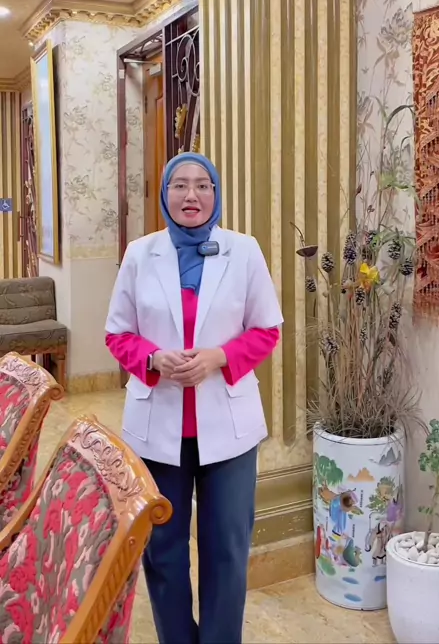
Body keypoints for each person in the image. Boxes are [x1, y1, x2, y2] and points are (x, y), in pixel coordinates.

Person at [105, 153, 283, 644]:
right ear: (165, 195)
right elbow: (117, 334)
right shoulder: (140, 254)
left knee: (227, 551)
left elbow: (267, 330)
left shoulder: (244, 251)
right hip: (157, 431)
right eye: (179, 185)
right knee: (162, 551)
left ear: (216, 194)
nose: (191, 195)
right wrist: (153, 359)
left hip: (229, 431)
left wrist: (219, 357)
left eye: (203, 185)